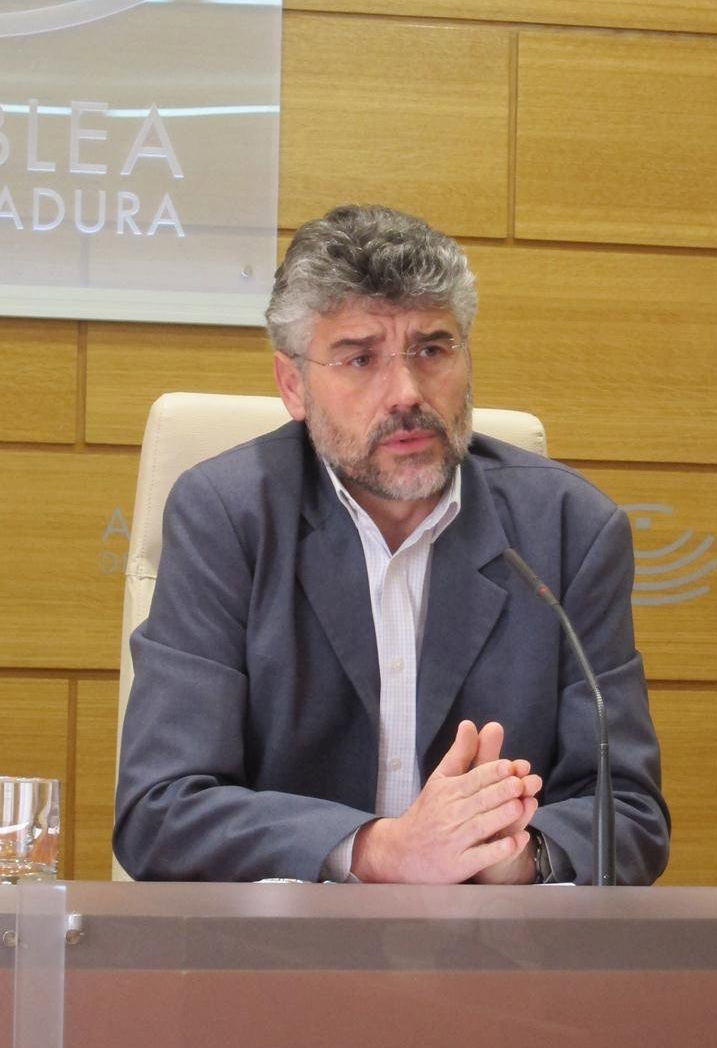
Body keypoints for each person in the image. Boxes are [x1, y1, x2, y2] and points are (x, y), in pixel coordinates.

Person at [114, 204, 669, 884]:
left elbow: (630, 814)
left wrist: (515, 858)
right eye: (360, 358)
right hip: (283, 942)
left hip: (491, 942)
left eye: (432, 350)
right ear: (293, 385)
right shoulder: (227, 518)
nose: (406, 393)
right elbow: (160, 809)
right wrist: (381, 851)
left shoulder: (570, 529)